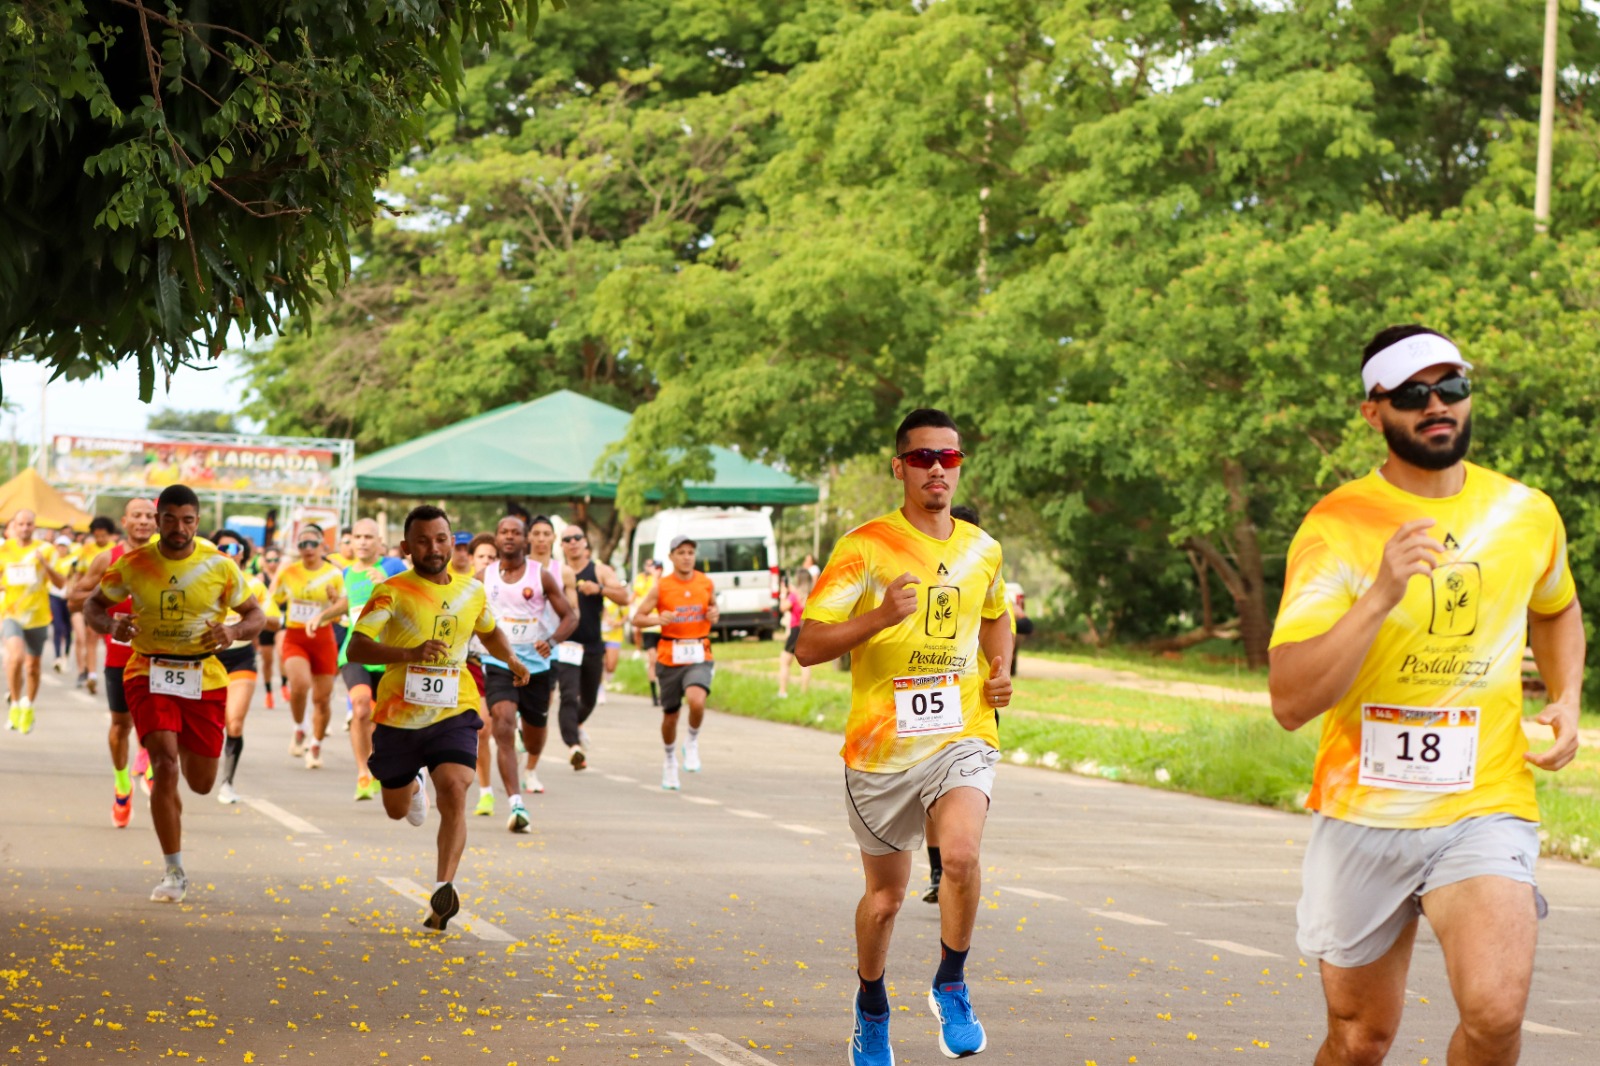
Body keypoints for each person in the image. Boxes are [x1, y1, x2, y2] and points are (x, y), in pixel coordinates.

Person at [1268, 326, 1585, 1066]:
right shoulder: (1337, 525)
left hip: (1485, 803)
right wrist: (1380, 593)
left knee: (1497, 1013)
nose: (1437, 404)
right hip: (1363, 813)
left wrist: (1567, 695)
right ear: (1373, 413)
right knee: (1359, 1038)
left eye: (1452, 387)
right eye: (1413, 393)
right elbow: (1289, 700)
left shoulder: (1525, 513)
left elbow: (1557, 606)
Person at [796, 408, 1013, 1064]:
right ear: (900, 468)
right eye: (923, 458)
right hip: (881, 751)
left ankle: (951, 981)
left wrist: (1001, 670)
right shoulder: (863, 547)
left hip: (961, 734)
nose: (938, 469)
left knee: (964, 857)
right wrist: (880, 616)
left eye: (949, 458)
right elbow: (808, 645)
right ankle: (871, 1004)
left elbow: (996, 618)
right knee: (886, 900)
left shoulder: (983, 548)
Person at [346, 504, 529, 931]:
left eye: (441, 538)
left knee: (456, 787)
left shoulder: (472, 591)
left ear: (453, 542)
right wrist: (408, 653)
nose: (434, 547)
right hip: (398, 714)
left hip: (455, 708)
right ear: (408, 547)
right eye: (424, 541)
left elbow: (487, 630)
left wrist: (512, 659)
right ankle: (411, 786)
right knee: (394, 809)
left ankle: (442, 889)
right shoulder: (391, 590)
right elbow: (357, 648)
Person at [84, 485, 266, 902]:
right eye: (169, 518)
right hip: (148, 670)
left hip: (204, 677)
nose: (178, 527)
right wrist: (111, 626)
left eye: (187, 520)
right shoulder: (134, 564)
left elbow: (255, 614)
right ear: (158, 519)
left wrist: (234, 631)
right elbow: (94, 605)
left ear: (196, 522)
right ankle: (174, 870)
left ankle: (181, 747)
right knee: (164, 765)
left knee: (201, 782)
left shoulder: (220, 566)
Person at [70, 499, 159, 826]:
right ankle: (122, 784)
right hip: (121, 655)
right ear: (125, 520)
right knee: (122, 725)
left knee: (159, 720)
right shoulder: (108, 558)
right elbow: (75, 599)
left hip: (161, 654)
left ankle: (151, 767)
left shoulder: (169, 557)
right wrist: (105, 595)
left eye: (150, 516)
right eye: (137, 515)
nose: (144, 521)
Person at [481, 516, 575, 817]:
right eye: (504, 532)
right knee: (503, 722)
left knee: (534, 740)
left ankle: (529, 738)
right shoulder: (483, 576)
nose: (509, 537)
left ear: (526, 541)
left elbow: (570, 617)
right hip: (499, 661)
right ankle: (515, 804)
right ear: (496, 538)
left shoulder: (541, 576)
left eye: (515, 533)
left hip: (537, 665)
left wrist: (552, 640)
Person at [631, 535, 719, 790]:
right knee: (670, 716)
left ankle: (691, 741)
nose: (686, 556)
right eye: (681, 552)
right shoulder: (662, 586)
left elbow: (713, 610)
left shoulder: (705, 582)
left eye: (690, 552)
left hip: (699, 652)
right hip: (670, 655)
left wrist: (715, 613)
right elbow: (637, 618)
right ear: (671, 557)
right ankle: (669, 758)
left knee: (697, 700)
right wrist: (657, 620)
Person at [338, 518, 409, 802]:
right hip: (354, 652)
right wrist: (325, 613)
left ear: (379, 541)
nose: (363, 541)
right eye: (358, 536)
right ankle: (363, 774)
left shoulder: (393, 567)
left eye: (369, 536)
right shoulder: (345, 572)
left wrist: (389, 584)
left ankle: (381, 765)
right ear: (352, 541)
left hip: (387, 656)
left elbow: (414, 599)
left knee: (385, 721)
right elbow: (347, 603)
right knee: (360, 707)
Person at [268, 525, 348, 769]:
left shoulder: (334, 573)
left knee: (322, 700)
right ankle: (299, 727)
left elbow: (344, 604)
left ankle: (315, 745)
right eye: (303, 544)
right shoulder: (289, 572)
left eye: (313, 543)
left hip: (323, 637)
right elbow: (271, 598)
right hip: (295, 635)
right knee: (300, 684)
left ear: (323, 546)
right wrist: (276, 620)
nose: (308, 548)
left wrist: (333, 602)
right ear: (297, 549)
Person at [211, 530, 277, 804]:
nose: (228, 550)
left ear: (243, 552)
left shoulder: (254, 585)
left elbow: (275, 622)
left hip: (241, 659)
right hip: (206, 660)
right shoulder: (204, 582)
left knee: (234, 721)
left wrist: (247, 619)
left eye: (234, 546)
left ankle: (227, 782)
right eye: (221, 546)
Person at [557, 524, 629, 769]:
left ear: (585, 542)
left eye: (578, 537)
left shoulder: (599, 570)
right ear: (562, 545)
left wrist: (599, 589)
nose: (573, 542)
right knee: (568, 696)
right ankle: (573, 747)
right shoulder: (557, 572)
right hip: (566, 644)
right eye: (568, 539)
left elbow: (624, 597)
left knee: (588, 700)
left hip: (592, 645)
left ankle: (574, 727)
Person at [2, 509, 67, 732]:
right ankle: (15, 705)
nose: (25, 528)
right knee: (16, 657)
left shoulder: (46, 550)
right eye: (20, 524)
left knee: (33, 667)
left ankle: (28, 705)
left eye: (29, 524)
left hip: (38, 616)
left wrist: (44, 564)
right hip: (12, 613)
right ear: (14, 526)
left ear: (35, 526)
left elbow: (60, 583)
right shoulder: (4, 549)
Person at [466, 533, 500, 816]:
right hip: (468, 662)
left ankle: (486, 791)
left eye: (492, 557)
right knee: (481, 727)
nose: (487, 562)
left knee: (485, 729)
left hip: (497, 664)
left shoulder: (507, 586)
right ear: (472, 559)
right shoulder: (466, 586)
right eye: (482, 557)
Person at [72, 516, 118, 692]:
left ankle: (112, 672)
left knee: (111, 641)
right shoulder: (86, 550)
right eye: (97, 535)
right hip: (92, 599)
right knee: (90, 635)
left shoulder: (116, 550)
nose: (100, 539)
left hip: (114, 602)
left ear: (110, 535)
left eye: (104, 535)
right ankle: (91, 674)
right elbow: (81, 575)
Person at [631, 557, 663, 705]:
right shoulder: (643, 580)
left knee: (663, 662)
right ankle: (654, 695)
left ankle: (664, 691)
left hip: (664, 627)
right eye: (650, 566)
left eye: (656, 567)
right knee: (652, 659)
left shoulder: (665, 582)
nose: (653, 570)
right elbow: (640, 595)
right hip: (650, 626)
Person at [777, 569, 813, 699]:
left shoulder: (794, 595)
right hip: (808, 631)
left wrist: (783, 593)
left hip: (795, 630)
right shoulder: (812, 595)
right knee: (804, 665)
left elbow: (783, 608)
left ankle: (782, 692)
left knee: (785, 661)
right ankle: (804, 694)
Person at [47, 532, 78, 674]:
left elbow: (73, 577)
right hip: (54, 595)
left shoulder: (73, 560)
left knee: (68, 628)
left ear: (67, 547)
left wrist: (70, 591)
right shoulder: (52, 560)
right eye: (59, 546)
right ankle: (57, 657)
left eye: (64, 546)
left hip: (68, 597)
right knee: (58, 627)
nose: (61, 549)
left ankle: (66, 655)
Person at [256, 547, 283, 709]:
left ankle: (285, 684)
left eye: (276, 560)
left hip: (282, 620)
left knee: (282, 651)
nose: (273, 564)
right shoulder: (260, 578)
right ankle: (268, 692)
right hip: (266, 621)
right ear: (264, 562)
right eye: (269, 560)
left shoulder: (285, 577)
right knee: (268, 661)